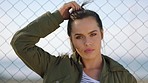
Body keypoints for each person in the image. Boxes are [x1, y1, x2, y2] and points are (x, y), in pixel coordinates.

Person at [11, 1, 137, 83]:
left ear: (102, 34)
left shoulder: (123, 78)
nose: (87, 42)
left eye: (92, 34)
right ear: (71, 39)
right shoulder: (54, 67)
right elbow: (20, 42)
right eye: (79, 37)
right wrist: (57, 16)